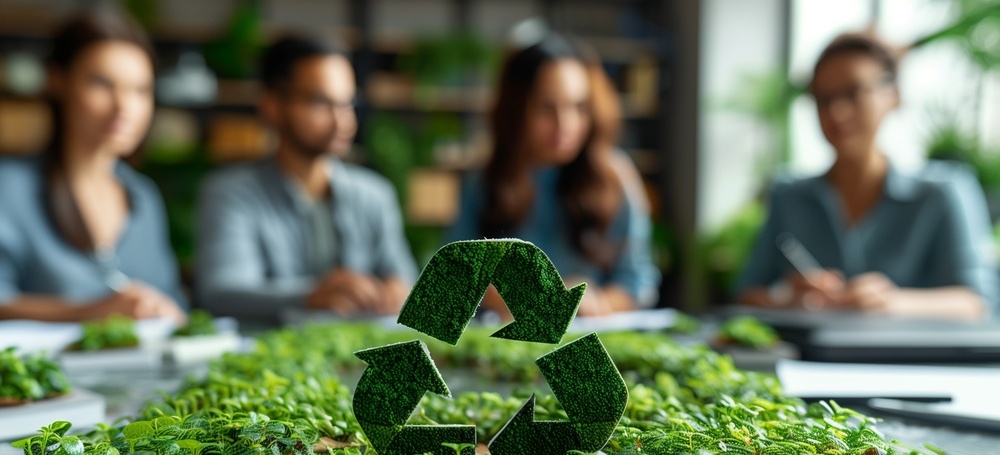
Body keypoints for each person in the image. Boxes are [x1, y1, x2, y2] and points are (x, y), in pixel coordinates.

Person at [737, 32, 997, 320]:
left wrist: (892, 302)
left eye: (852, 93)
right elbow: (747, 294)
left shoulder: (945, 191)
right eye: (824, 99)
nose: (837, 112)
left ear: (893, 95)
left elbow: (978, 302)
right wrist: (788, 299)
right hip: (812, 360)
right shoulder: (788, 195)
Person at [195, 36, 418, 321]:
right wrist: (312, 295)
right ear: (272, 106)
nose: (343, 121)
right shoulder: (230, 194)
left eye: (348, 103)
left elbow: (402, 278)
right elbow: (221, 293)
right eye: (320, 103)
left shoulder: (375, 194)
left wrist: (398, 290)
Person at [447, 34, 661, 317]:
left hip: (586, 342)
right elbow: (452, 282)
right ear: (516, 109)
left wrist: (597, 302)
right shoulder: (484, 182)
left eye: (579, 107)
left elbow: (637, 281)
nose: (565, 125)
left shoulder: (614, 176)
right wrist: (495, 295)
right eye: (547, 108)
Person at [0, 10, 186, 323]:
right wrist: (93, 311)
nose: (124, 107)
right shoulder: (10, 188)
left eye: (141, 90)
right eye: (102, 83)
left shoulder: (143, 197)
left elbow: (172, 300)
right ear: (58, 82)